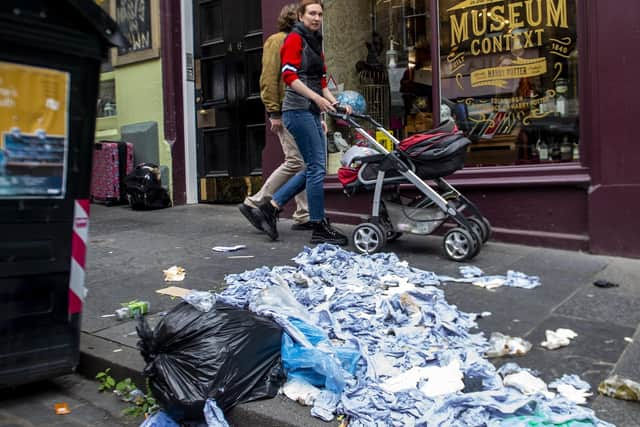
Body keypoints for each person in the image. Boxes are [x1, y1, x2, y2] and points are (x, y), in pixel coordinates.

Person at [254, 0, 351, 245]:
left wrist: (335, 104)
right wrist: (318, 100)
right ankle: (318, 226)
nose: (317, 18)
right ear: (300, 15)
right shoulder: (294, 39)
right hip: (296, 112)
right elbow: (289, 76)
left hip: (310, 111)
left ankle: (272, 206)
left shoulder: (315, 41)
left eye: (320, 14)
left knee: (312, 167)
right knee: (317, 168)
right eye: (312, 13)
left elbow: (321, 83)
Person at [238, 4, 312, 232]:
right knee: (296, 161)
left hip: (302, 110)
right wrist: (274, 112)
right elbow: (269, 78)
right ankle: (255, 202)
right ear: (295, 18)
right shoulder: (277, 41)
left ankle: (303, 214)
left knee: (303, 162)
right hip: (286, 110)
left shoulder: (301, 42)